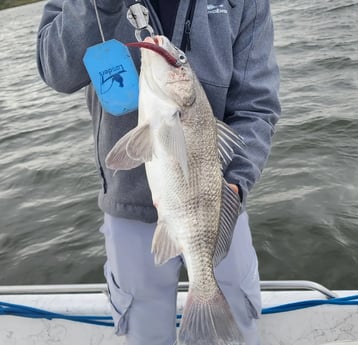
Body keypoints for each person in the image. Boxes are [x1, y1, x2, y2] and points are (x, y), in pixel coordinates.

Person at [37, 0, 280, 344]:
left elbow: (257, 104)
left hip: (218, 202)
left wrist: (237, 183)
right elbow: (56, 71)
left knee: (234, 328)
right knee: (145, 333)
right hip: (129, 208)